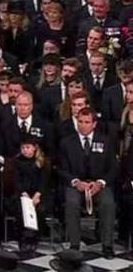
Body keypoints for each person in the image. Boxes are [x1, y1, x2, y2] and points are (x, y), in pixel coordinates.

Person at [58, 107, 117, 257]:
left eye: (87, 122)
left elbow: (113, 168)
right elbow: (61, 169)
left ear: (94, 124)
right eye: (80, 121)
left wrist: (101, 183)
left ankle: (107, 245)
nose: (83, 125)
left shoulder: (106, 141)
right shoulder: (66, 142)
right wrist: (76, 182)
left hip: (99, 185)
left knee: (108, 203)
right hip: (76, 185)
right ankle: (75, 245)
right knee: (72, 202)